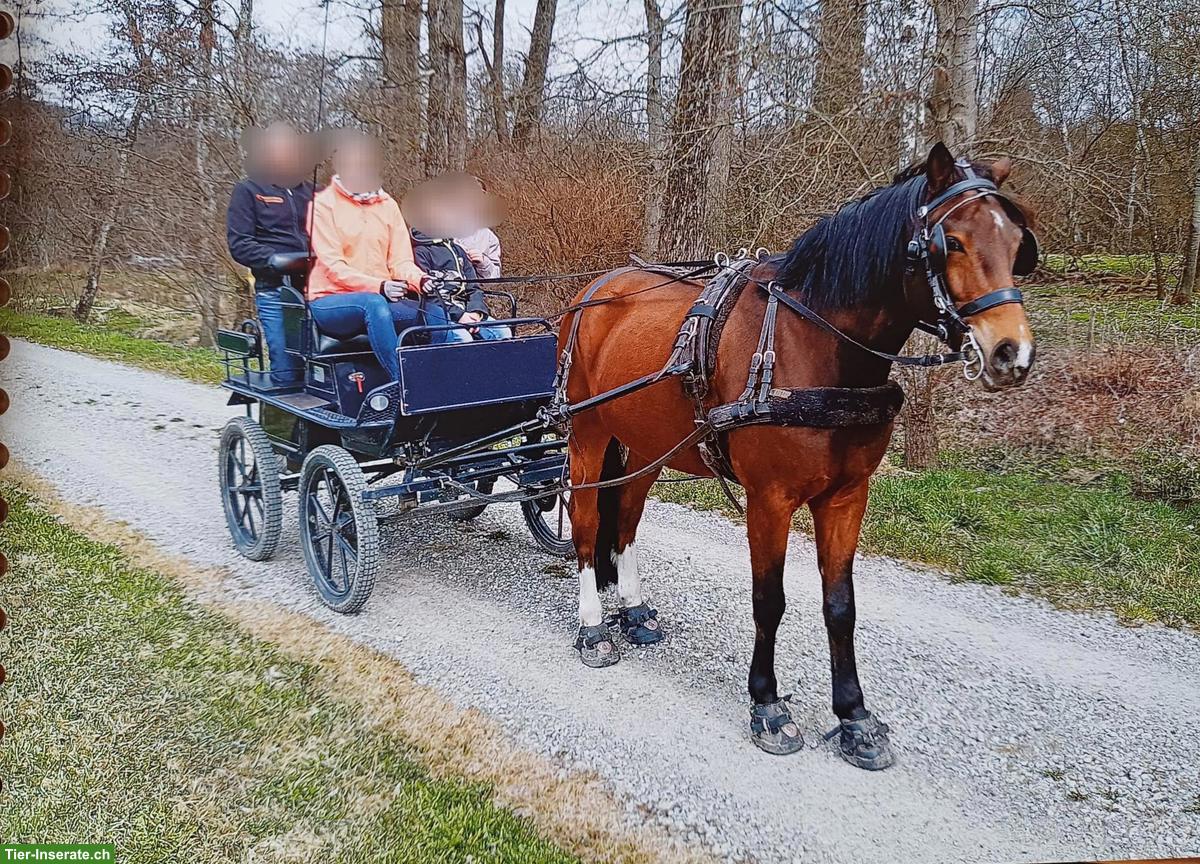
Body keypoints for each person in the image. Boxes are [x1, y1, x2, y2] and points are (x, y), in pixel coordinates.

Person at [306, 132, 454, 381]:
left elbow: (400, 262)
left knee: (435, 312)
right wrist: (380, 286)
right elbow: (333, 267)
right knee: (373, 305)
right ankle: (404, 384)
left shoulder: (387, 205)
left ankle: (434, 381)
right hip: (332, 301)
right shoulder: (322, 205)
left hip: (381, 299)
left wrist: (421, 281)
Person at [226, 123, 313, 386]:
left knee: (332, 371)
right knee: (288, 371)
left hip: (319, 290)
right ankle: (281, 426)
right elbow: (239, 244)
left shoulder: (314, 192)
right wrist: (275, 260)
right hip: (276, 291)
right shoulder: (249, 191)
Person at [411, 229, 511, 342]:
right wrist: (460, 316)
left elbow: (473, 287)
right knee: (464, 338)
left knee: (503, 331)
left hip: (468, 311)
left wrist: (476, 312)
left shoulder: (458, 249)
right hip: (442, 314)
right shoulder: (419, 252)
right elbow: (429, 297)